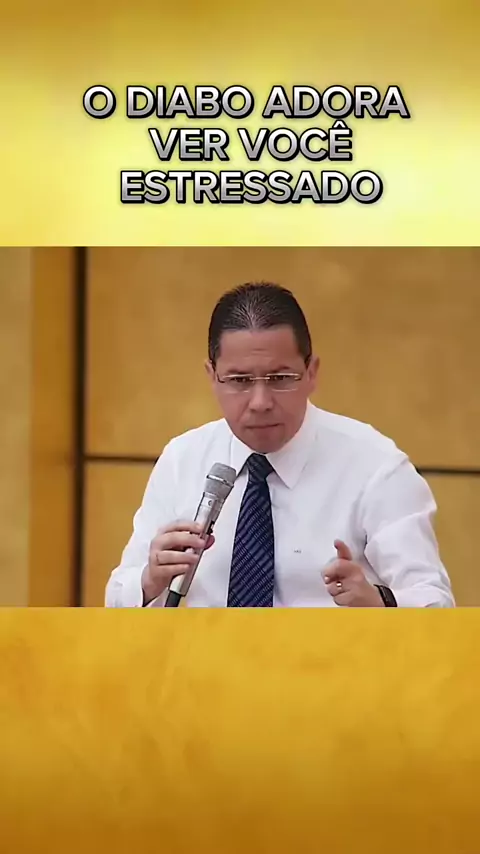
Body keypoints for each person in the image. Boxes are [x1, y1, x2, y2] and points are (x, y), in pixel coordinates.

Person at [105, 282, 455, 609]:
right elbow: (116, 598)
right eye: (240, 380)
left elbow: (435, 603)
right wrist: (150, 580)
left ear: (312, 372)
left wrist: (379, 602)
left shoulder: (375, 465)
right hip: (203, 655)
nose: (260, 402)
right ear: (212, 377)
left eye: (280, 378)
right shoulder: (182, 460)